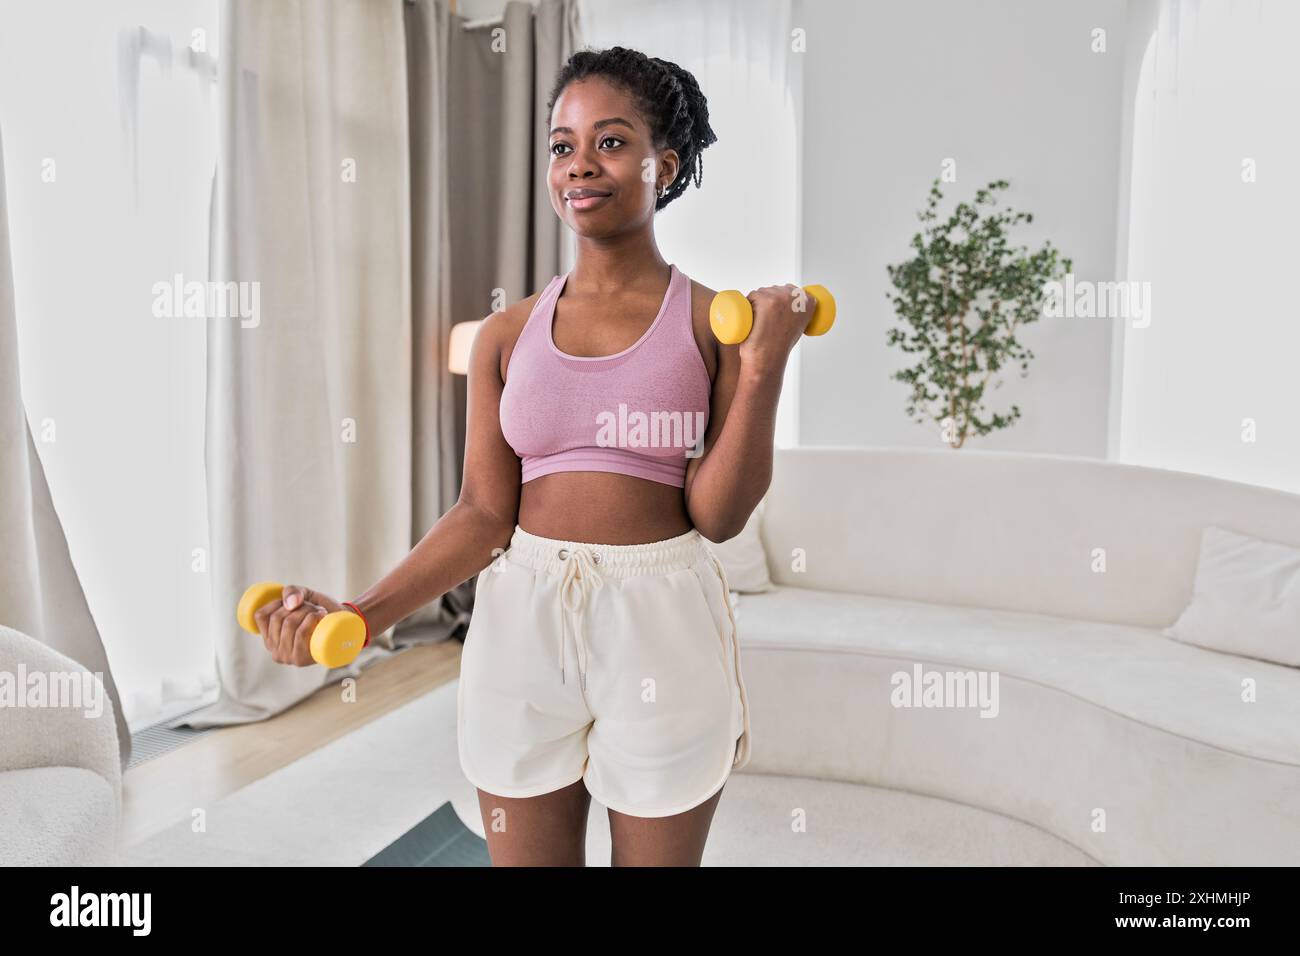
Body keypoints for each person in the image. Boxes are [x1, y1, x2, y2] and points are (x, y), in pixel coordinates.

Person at [255, 45, 812, 866]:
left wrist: (765, 363)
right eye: (562, 144)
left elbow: (718, 516)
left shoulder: (711, 323)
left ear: (667, 163)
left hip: (660, 619)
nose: (579, 165)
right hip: (522, 616)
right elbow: (483, 513)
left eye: (611, 142)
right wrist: (360, 613)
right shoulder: (505, 337)